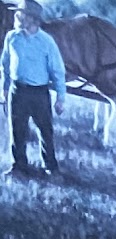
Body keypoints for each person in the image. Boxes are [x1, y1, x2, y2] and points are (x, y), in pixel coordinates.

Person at [4, 1, 66, 178]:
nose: (17, 16)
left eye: (21, 14)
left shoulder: (46, 42)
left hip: (39, 93)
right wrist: (5, 88)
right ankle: (19, 167)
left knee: (45, 131)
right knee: (17, 130)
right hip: (18, 91)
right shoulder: (12, 37)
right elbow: (5, 64)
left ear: (33, 19)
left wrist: (60, 98)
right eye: (17, 13)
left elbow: (57, 71)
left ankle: (51, 168)